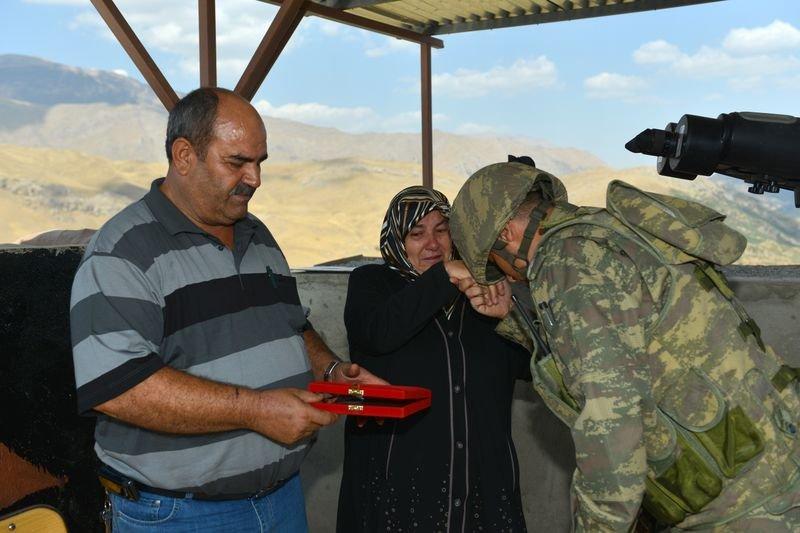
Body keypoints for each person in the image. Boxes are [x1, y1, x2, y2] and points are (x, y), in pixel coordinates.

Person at [69, 87, 383, 532]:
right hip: (179, 515)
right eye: (237, 162)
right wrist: (256, 410)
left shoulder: (259, 236)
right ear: (183, 156)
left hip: (283, 499)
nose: (254, 178)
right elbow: (119, 389)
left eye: (260, 162)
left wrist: (331, 370)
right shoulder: (122, 253)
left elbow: (292, 325)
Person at [448, 160, 800, 532]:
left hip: (748, 507)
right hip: (777, 468)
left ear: (505, 233)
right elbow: (636, 343)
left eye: (495, 262)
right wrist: (514, 319)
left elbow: (611, 423)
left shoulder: (565, 263)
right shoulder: (607, 234)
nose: (506, 274)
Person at [336, 185, 531, 533]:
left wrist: (512, 318)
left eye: (442, 230)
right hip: (399, 484)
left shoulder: (483, 290)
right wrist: (445, 276)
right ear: (397, 238)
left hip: (482, 485)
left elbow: (532, 367)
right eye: (417, 233)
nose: (432, 244)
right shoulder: (371, 284)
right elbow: (378, 333)